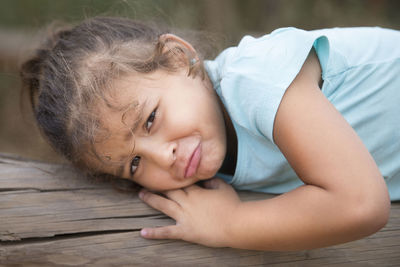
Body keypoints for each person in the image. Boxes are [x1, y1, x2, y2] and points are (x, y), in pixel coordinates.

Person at [20, 16, 400, 251]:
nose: (161, 156)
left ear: (178, 58)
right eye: (134, 163)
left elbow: (360, 204)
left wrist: (231, 224)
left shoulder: (258, 78)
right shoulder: (205, 157)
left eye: (150, 120)